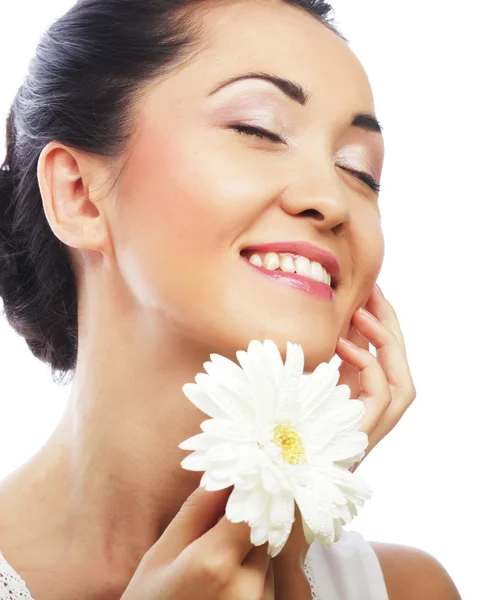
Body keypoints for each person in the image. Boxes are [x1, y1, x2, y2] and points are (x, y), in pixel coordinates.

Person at [0, 0, 461, 598]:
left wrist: (291, 555)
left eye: (360, 172)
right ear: (80, 195)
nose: (332, 199)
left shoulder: (408, 588)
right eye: (258, 129)